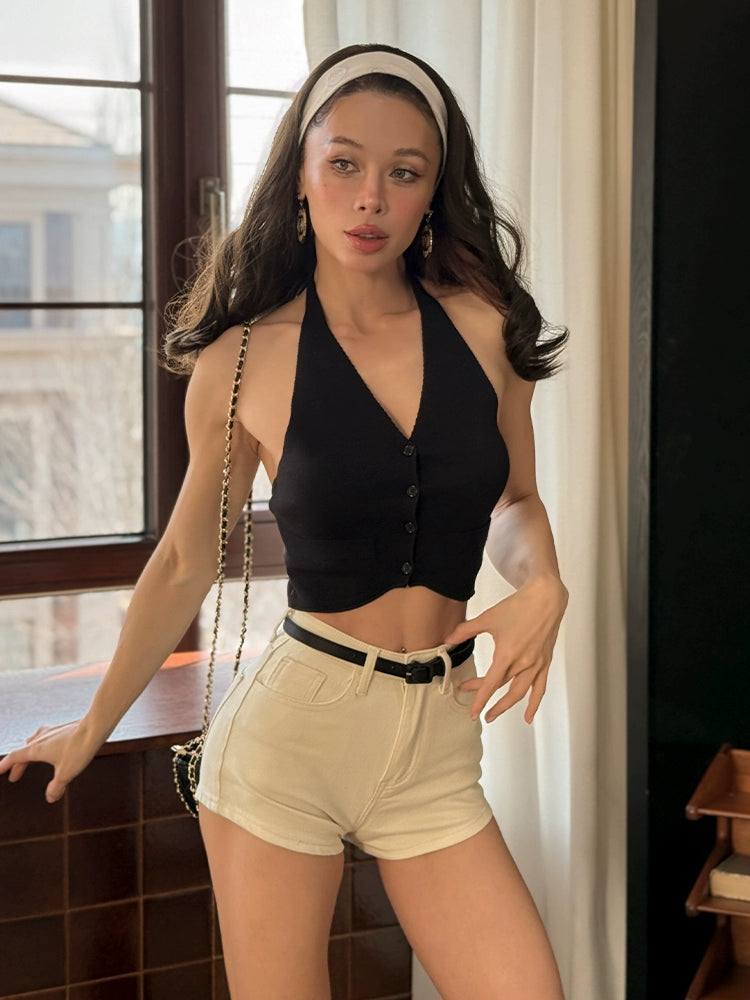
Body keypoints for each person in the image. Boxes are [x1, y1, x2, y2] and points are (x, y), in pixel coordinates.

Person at [0, 42, 569, 1000]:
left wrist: (546, 583)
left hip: (435, 745)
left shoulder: (485, 329)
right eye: (344, 163)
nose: (370, 198)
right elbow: (185, 560)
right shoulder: (243, 358)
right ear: (300, 176)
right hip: (291, 745)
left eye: (404, 172)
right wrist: (94, 724)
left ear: (433, 194)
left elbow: (514, 500)